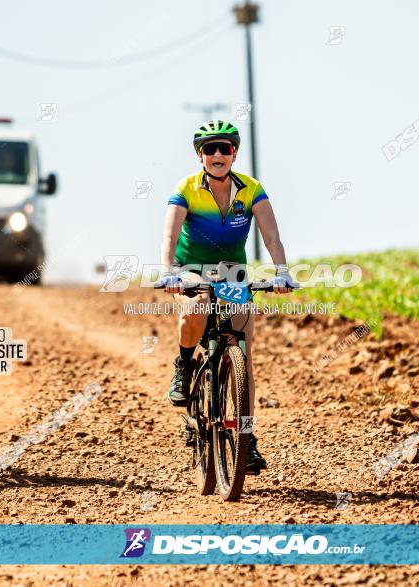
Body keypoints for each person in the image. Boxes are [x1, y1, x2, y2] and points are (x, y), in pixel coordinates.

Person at [158, 120, 293, 473]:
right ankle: (185, 366)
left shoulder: (251, 189)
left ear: (234, 153)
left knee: (244, 356)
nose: (218, 154)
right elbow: (169, 238)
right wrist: (170, 271)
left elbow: (272, 237)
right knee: (197, 306)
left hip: (232, 271)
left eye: (225, 148)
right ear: (200, 155)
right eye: (210, 149)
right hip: (190, 267)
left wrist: (281, 271)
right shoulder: (186, 188)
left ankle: (247, 441)